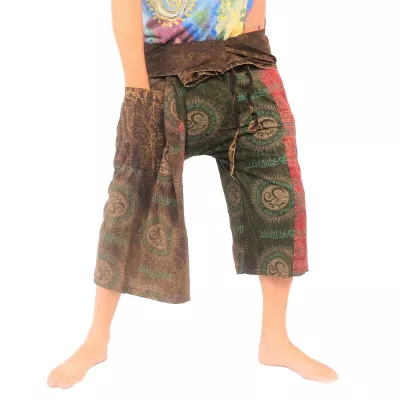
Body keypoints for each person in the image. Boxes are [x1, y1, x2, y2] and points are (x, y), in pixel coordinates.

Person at [47, 0, 338, 389]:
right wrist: (137, 87)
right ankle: (96, 340)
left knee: (279, 194)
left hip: (248, 67)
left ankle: (275, 339)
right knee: (129, 203)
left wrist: (256, 33)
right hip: (163, 79)